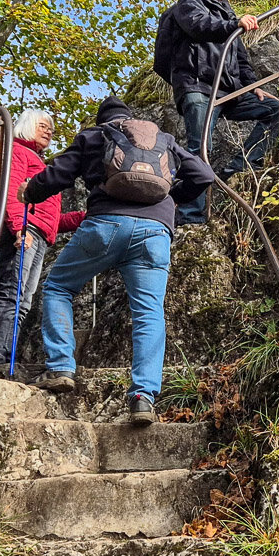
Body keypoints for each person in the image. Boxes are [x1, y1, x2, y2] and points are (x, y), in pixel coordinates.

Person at [24, 97, 215, 424]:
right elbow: (203, 175)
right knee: (149, 311)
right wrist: (169, 200)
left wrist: (29, 192)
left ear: (103, 120)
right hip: (156, 232)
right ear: (130, 118)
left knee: (58, 288)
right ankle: (143, 397)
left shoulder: (94, 136)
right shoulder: (163, 139)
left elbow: (58, 175)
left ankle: (60, 367)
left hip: (106, 224)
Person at [163, 0, 277, 225]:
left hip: (228, 90)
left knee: (274, 109)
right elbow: (198, 26)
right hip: (198, 86)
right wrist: (233, 24)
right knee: (199, 147)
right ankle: (191, 214)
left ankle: (236, 169)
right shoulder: (189, 0)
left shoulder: (226, 9)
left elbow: (239, 57)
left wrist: (252, 86)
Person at [0, 108, 85, 372]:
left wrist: (81, 217)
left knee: (24, 301)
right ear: (26, 125)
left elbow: (51, 219)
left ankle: (5, 358)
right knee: (13, 295)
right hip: (25, 231)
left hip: (39, 235)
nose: (49, 131)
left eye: (50, 128)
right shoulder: (19, 152)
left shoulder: (40, 163)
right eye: (43, 126)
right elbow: (11, 192)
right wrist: (17, 226)